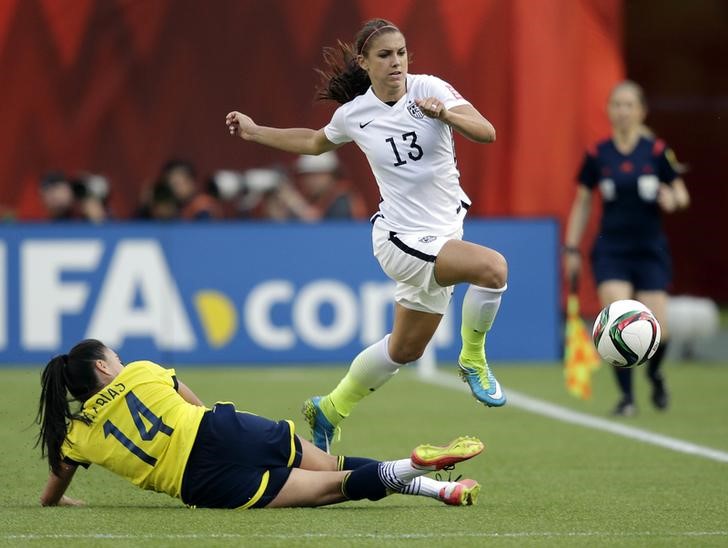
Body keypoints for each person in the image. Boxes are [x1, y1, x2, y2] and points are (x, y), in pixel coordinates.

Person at [226, 18, 508, 452]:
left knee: (404, 349)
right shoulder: (355, 115)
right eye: (385, 55)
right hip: (400, 239)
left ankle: (330, 408)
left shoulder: (430, 88)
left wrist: (445, 112)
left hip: (443, 233)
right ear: (364, 62)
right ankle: (472, 358)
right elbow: (314, 143)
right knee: (492, 268)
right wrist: (253, 130)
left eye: (401, 52)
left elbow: (486, 133)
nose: (396, 62)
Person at [36, 339, 484, 509]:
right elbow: (198, 404)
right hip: (222, 429)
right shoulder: (142, 371)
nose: (120, 358)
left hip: (202, 482)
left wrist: (61, 502)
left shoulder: (75, 436)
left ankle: (424, 473)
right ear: (103, 367)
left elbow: (52, 491)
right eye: (113, 354)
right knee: (332, 465)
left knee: (334, 487)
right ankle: (436, 484)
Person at [563, 80, 690, 417]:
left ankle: (655, 373)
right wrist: (572, 247)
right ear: (608, 110)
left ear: (641, 111)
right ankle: (627, 398)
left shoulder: (657, 151)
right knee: (617, 321)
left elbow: (681, 192)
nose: (622, 111)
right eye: (616, 105)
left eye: (629, 105)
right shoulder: (597, 154)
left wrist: (671, 199)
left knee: (658, 329)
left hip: (650, 249)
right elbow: (583, 202)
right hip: (612, 250)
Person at [294, 150, 367, 219]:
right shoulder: (315, 198)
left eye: (317, 175)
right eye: (307, 176)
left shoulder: (342, 202)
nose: (311, 181)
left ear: (332, 175)